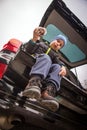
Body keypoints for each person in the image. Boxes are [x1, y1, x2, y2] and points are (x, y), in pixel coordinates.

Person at [22, 27, 67, 111]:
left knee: (57, 67)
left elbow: (59, 63)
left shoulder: (55, 55)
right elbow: (29, 49)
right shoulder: (41, 44)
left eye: (60, 45)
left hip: (45, 73)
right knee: (46, 57)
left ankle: (46, 93)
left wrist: (63, 67)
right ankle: (33, 83)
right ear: (53, 40)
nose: (58, 44)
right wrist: (35, 38)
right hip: (34, 64)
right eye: (58, 41)